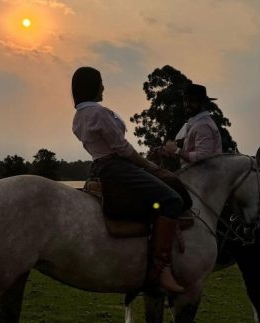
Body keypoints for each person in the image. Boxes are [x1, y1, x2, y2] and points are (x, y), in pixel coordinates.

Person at [72, 66, 185, 293]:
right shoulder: (98, 113)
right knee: (172, 199)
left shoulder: (79, 117)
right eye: (101, 82)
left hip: (102, 166)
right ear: (92, 86)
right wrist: (148, 165)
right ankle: (160, 269)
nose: (103, 86)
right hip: (117, 167)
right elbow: (121, 148)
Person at [163, 84, 222, 165]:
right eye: (185, 100)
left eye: (192, 100)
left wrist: (176, 150)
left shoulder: (203, 125)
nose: (187, 104)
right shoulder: (197, 123)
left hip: (203, 176)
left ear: (202, 103)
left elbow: (203, 157)